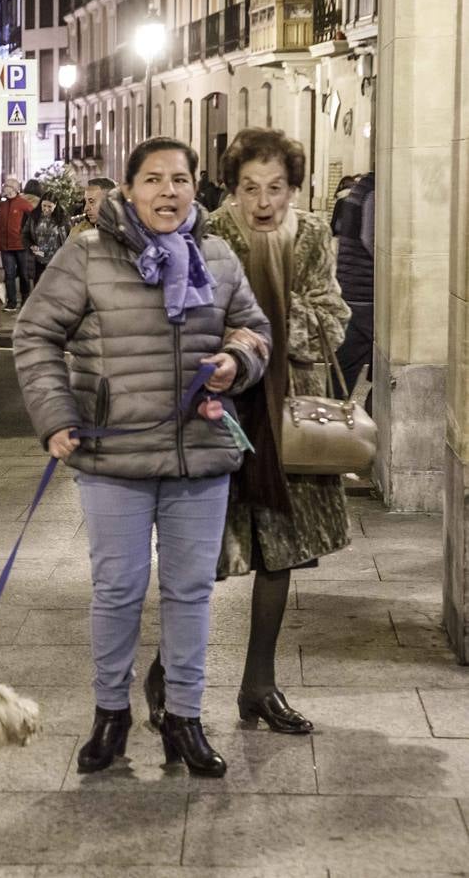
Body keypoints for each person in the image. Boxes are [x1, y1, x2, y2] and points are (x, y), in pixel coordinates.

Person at [13, 136, 271, 778]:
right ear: (128, 190)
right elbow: (34, 332)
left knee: (190, 593)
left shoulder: (218, 257)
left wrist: (234, 361)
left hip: (200, 455)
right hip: (115, 457)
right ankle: (112, 716)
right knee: (118, 589)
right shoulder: (87, 255)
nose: (168, 192)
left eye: (179, 180)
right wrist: (56, 418)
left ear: (194, 188)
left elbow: (255, 330)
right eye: (153, 179)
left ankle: (183, 717)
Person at [189, 128, 352, 735]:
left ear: (293, 187)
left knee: (279, 553)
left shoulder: (312, 234)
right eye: (250, 188)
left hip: (291, 410)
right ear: (231, 189)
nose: (264, 201)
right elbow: (189, 321)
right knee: (199, 553)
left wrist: (272, 320)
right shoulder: (208, 237)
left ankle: (259, 685)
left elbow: (333, 317)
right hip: (220, 411)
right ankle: (167, 676)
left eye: (276, 188)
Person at [331, 171, 374, 402]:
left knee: (347, 364)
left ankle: (330, 409)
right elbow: (370, 238)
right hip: (366, 289)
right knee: (352, 361)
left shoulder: (358, 190)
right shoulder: (374, 190)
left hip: (353, 287)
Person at [0, 177, 35, 310]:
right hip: (5, 246)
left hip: (20, 245)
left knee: (24, 274)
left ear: (13, 188)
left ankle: (25, 300)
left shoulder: (23, 204)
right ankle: (12, 303)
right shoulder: (1, 205)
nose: (3, 188)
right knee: (9, 275)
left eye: (6, 186)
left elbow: (34, 219)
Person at [21, 192, 70, 283]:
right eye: (44, 206)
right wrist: (31, 246)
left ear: (55, 205)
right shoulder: (34, 216)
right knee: (39, 288)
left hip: (57, 260)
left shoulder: (63, 217)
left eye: (49, 207)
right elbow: (25, 235)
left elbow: (70, 237)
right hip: (39, 259)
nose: (46, 209)